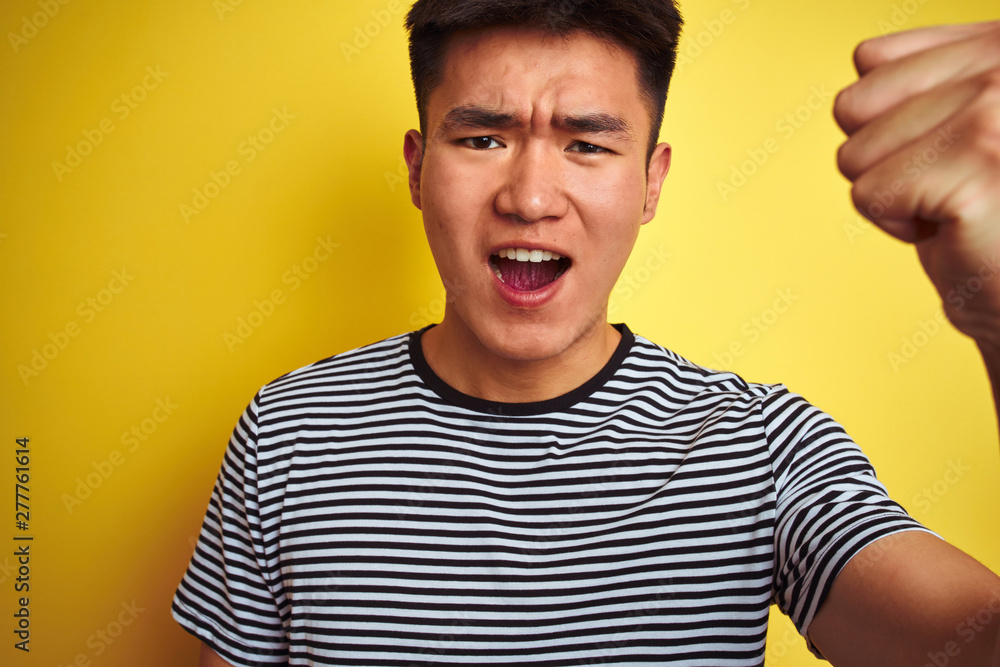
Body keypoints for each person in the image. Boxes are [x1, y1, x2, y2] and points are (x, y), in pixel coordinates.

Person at [173, 1, 1000, 665]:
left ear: (651, 181)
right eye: (483, 138)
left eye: (587, 144)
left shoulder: (760, 448)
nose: (531, 196)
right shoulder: (289, 431)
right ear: (418, 168)